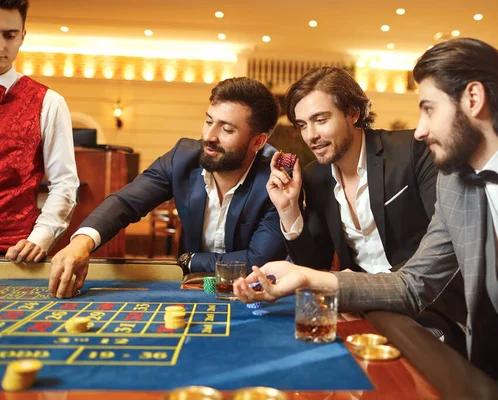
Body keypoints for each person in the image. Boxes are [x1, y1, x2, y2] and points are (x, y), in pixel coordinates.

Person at [235, 38, 498, 400]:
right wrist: (307, 276)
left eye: (429, 109)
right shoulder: (459, 184)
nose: (421, 130)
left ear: (473, 99)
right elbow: (412, 285)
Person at [267, 66, 465, 347]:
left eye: (320, 120)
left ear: (353, 113)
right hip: (358, 312)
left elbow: (448, 247)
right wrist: (288, 209)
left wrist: (362, 289)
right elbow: (316, 267)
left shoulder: (412, 150)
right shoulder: (316, 175)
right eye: (302, 125)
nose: (310, 135)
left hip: (429, 308)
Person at [50, 77, 287, 299]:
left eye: (226, 130)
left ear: (258, 141)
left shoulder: (274, 180)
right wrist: (81, 242)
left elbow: (258, 261)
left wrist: (189, 260)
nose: (209, 136)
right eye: (208, 121)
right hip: (196, 286)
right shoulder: (182, 157)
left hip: (255, 292)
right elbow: (126, 202)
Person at [0, 0, 79, 263]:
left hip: (15, 253)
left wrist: (41, 237)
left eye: (9, 35)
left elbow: (64, 184)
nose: (1, 46)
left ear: (22, 35)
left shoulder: (49, 102)